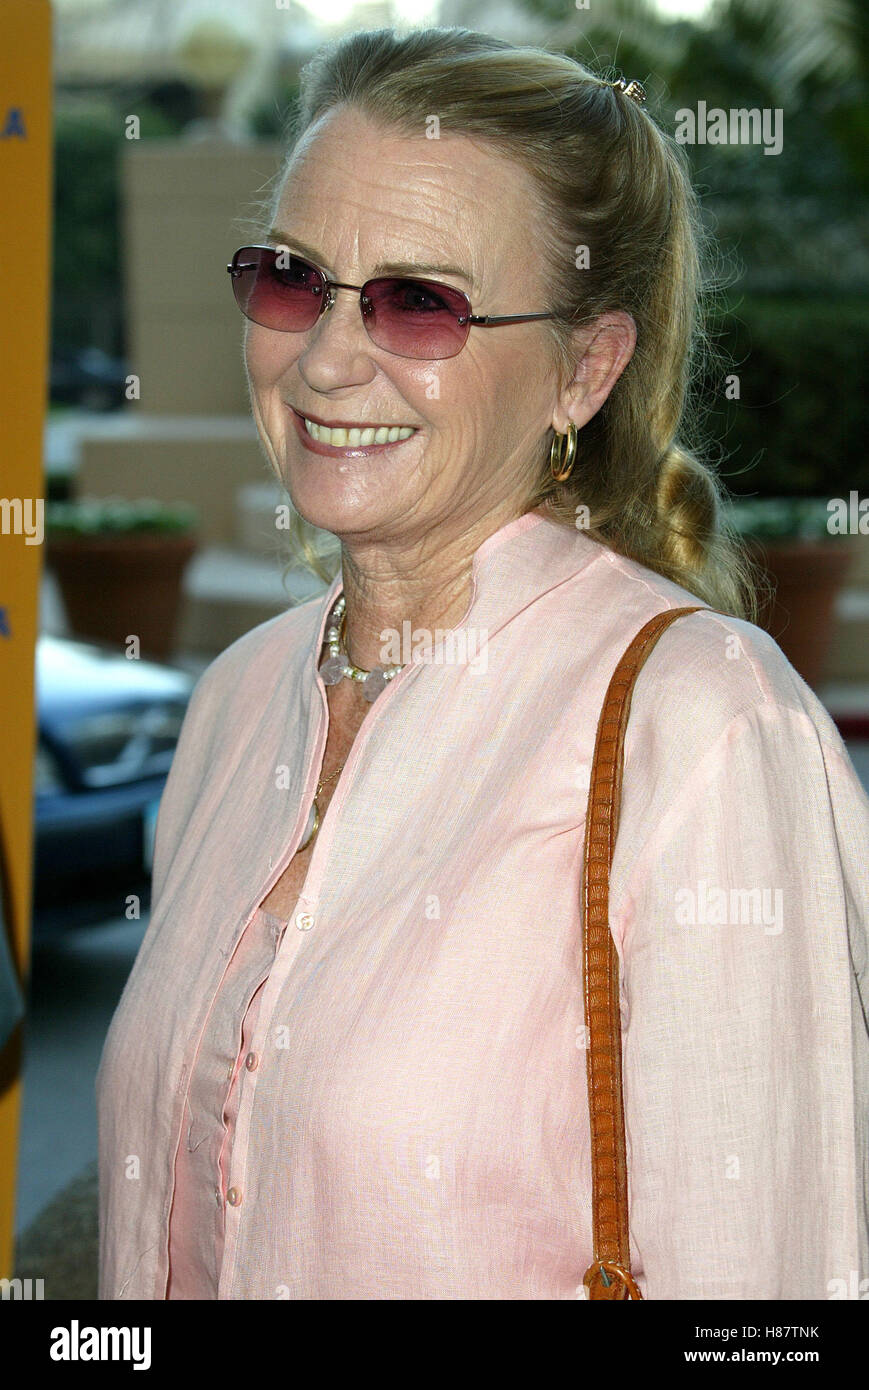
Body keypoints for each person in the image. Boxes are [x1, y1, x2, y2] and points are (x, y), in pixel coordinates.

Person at [96, 26, 869, 1300]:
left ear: (584, 367)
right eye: (294, 278)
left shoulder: (707, 731)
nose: (328, 358)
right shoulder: (238, 701)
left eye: (420, 301)